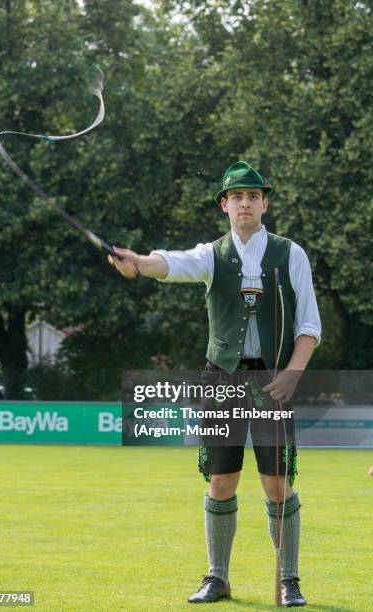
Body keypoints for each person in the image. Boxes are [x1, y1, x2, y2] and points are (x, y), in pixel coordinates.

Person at [108, 160, 321, 606]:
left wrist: (291, 375)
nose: (245, 203)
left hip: (272, 381)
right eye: (236, 197)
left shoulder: (290, 253)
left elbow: (309, 327)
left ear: (264, 203)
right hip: (220, 378)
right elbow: (172, 263)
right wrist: (139, 263)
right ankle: (217, 577)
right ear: (225, 205)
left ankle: (290, 580)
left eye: (253, 196)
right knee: (221, 480)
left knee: (277, 483)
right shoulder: (212, 254)